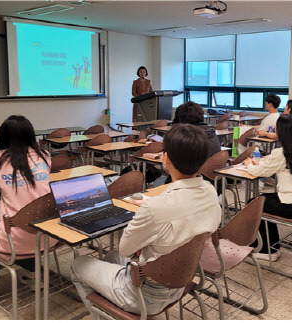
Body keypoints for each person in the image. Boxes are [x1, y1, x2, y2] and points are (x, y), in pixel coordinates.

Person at [71, 124, 221, 317]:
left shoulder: (154, 208)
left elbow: (127, 249)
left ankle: (102, 314)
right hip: (183, 280)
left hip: (144, 295)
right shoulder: (209, 192)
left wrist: (149, 220)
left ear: (165, 158)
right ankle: (107, 295)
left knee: (79, 264)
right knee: (111, 258)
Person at [0, 115, 57, 310]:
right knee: (25, 223)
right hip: (49, 234)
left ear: (2, 137)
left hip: (15, 239)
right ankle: (37, 276)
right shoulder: (44, 155)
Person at [243, 114, 292, 261]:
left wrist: (249, 164)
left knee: (254, 203)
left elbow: (259, 172)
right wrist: (263, 165)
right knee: (261, 200)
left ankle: (266, 250)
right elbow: (273, 168)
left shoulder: (281, 153)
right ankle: (272, 247)